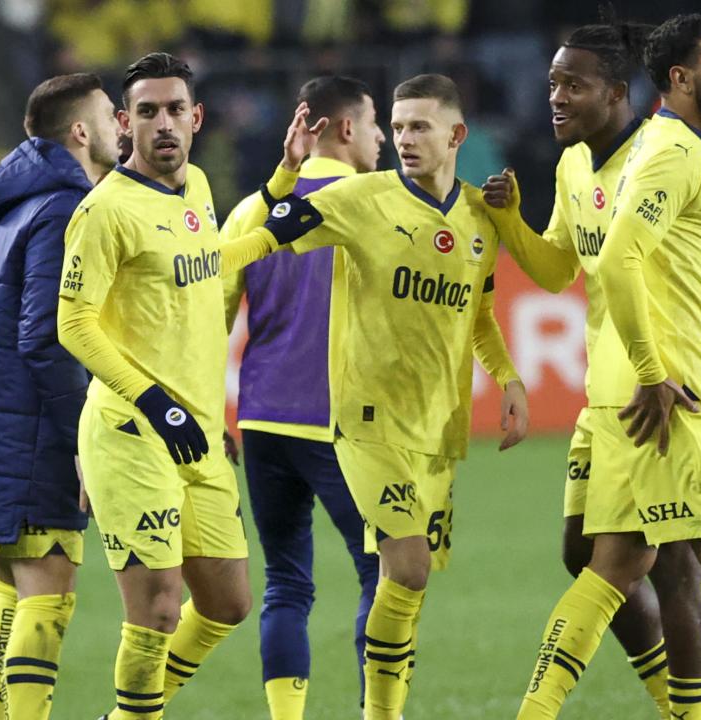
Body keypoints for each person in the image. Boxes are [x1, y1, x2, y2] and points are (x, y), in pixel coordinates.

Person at [512, 16, 701, 719]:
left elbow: (675, 274)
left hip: (624, 387)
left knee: (611, 566)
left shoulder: (662, 151)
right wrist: (655, 371)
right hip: (673, 388)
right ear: (679, 77)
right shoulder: (673, 153)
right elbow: (618, 261)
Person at [220, 73, 530, 720]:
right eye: (391, 125)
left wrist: (509, 378)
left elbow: (480, 312)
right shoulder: (359, 197)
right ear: (348, 128)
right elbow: (253, 247)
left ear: (456, 134)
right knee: (395, 570)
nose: (397, 139)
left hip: (315, 418)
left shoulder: (476, 215)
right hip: (351, 420)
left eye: (417, 126)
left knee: (309, 582)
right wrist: (194, 258)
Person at [55, 53, 319, 720]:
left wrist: (272, 225)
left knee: (228, 602)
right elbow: (73, 323)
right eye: (147, 112)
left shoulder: (196, 186)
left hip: (195, 430)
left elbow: (205, 263)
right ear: (124, 123)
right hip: (132, 430)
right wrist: (153, 402)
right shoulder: (105, 211)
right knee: (158, 611)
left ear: (196, 117)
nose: (164, 123)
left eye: (175, 109)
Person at [0, 72, 121, 720]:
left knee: (12, 593)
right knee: (48, 591)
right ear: (80, 132)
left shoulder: (12, 201)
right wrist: (83, 439)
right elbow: (47, 338)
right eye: (110, 114)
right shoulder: (63, 208)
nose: (121, 125)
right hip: (29, 433)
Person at [219, 75, 386, 720]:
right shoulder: (375, 203)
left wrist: (207, 412)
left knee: (286, 584)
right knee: (383, 574)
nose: (382, 139)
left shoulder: (252, 210)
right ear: (345, 128)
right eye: (375, 124)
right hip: (338, 421)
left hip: (263, 418)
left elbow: (210, 322)